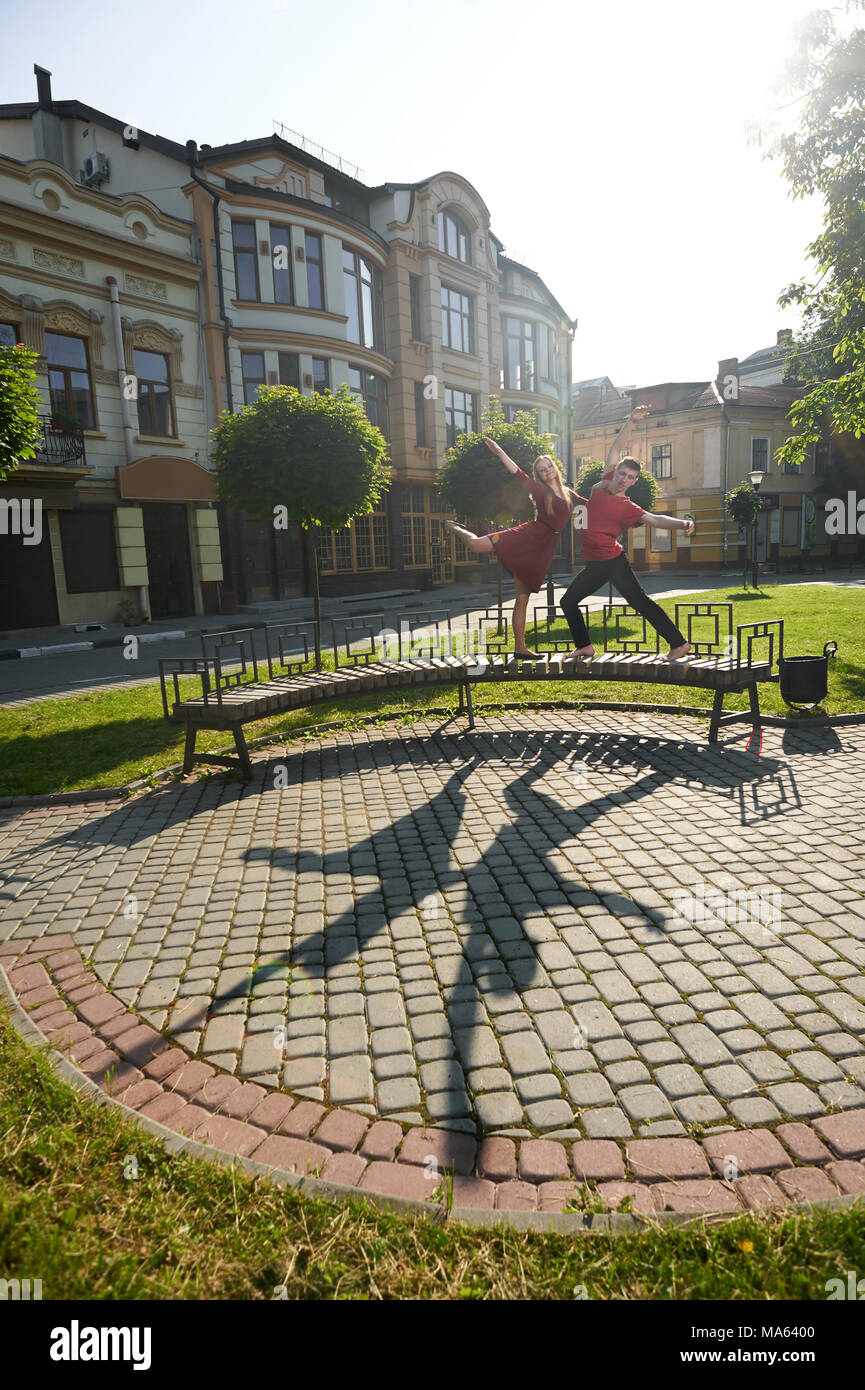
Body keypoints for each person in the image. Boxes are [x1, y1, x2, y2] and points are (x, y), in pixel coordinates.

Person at [561, 405, 695, 662]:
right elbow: (615, 447)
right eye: (622, 473)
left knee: (640, 602)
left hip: (611, 562)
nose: (623, 479)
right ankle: (585, 647)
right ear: (615, 472)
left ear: (634, 482)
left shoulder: (627, 507)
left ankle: (678, 644)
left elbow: (655, 519)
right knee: (569, 602)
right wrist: (631, 421)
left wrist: (681, 524)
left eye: (630, 477)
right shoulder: (603, 484)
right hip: (595, 563)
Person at [444, 438, 586, 658]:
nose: (547, 471)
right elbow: (519, 474)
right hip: (528, 535)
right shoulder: (539, 490)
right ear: (539, 474)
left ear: (554, 468)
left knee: (522, 598)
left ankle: (520, 648)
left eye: (549, 467)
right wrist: (500, 452)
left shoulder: (569, 494)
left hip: (544, 548)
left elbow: (592, 504)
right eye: (542, 470)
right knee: (475, 544)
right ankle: (455, 527)